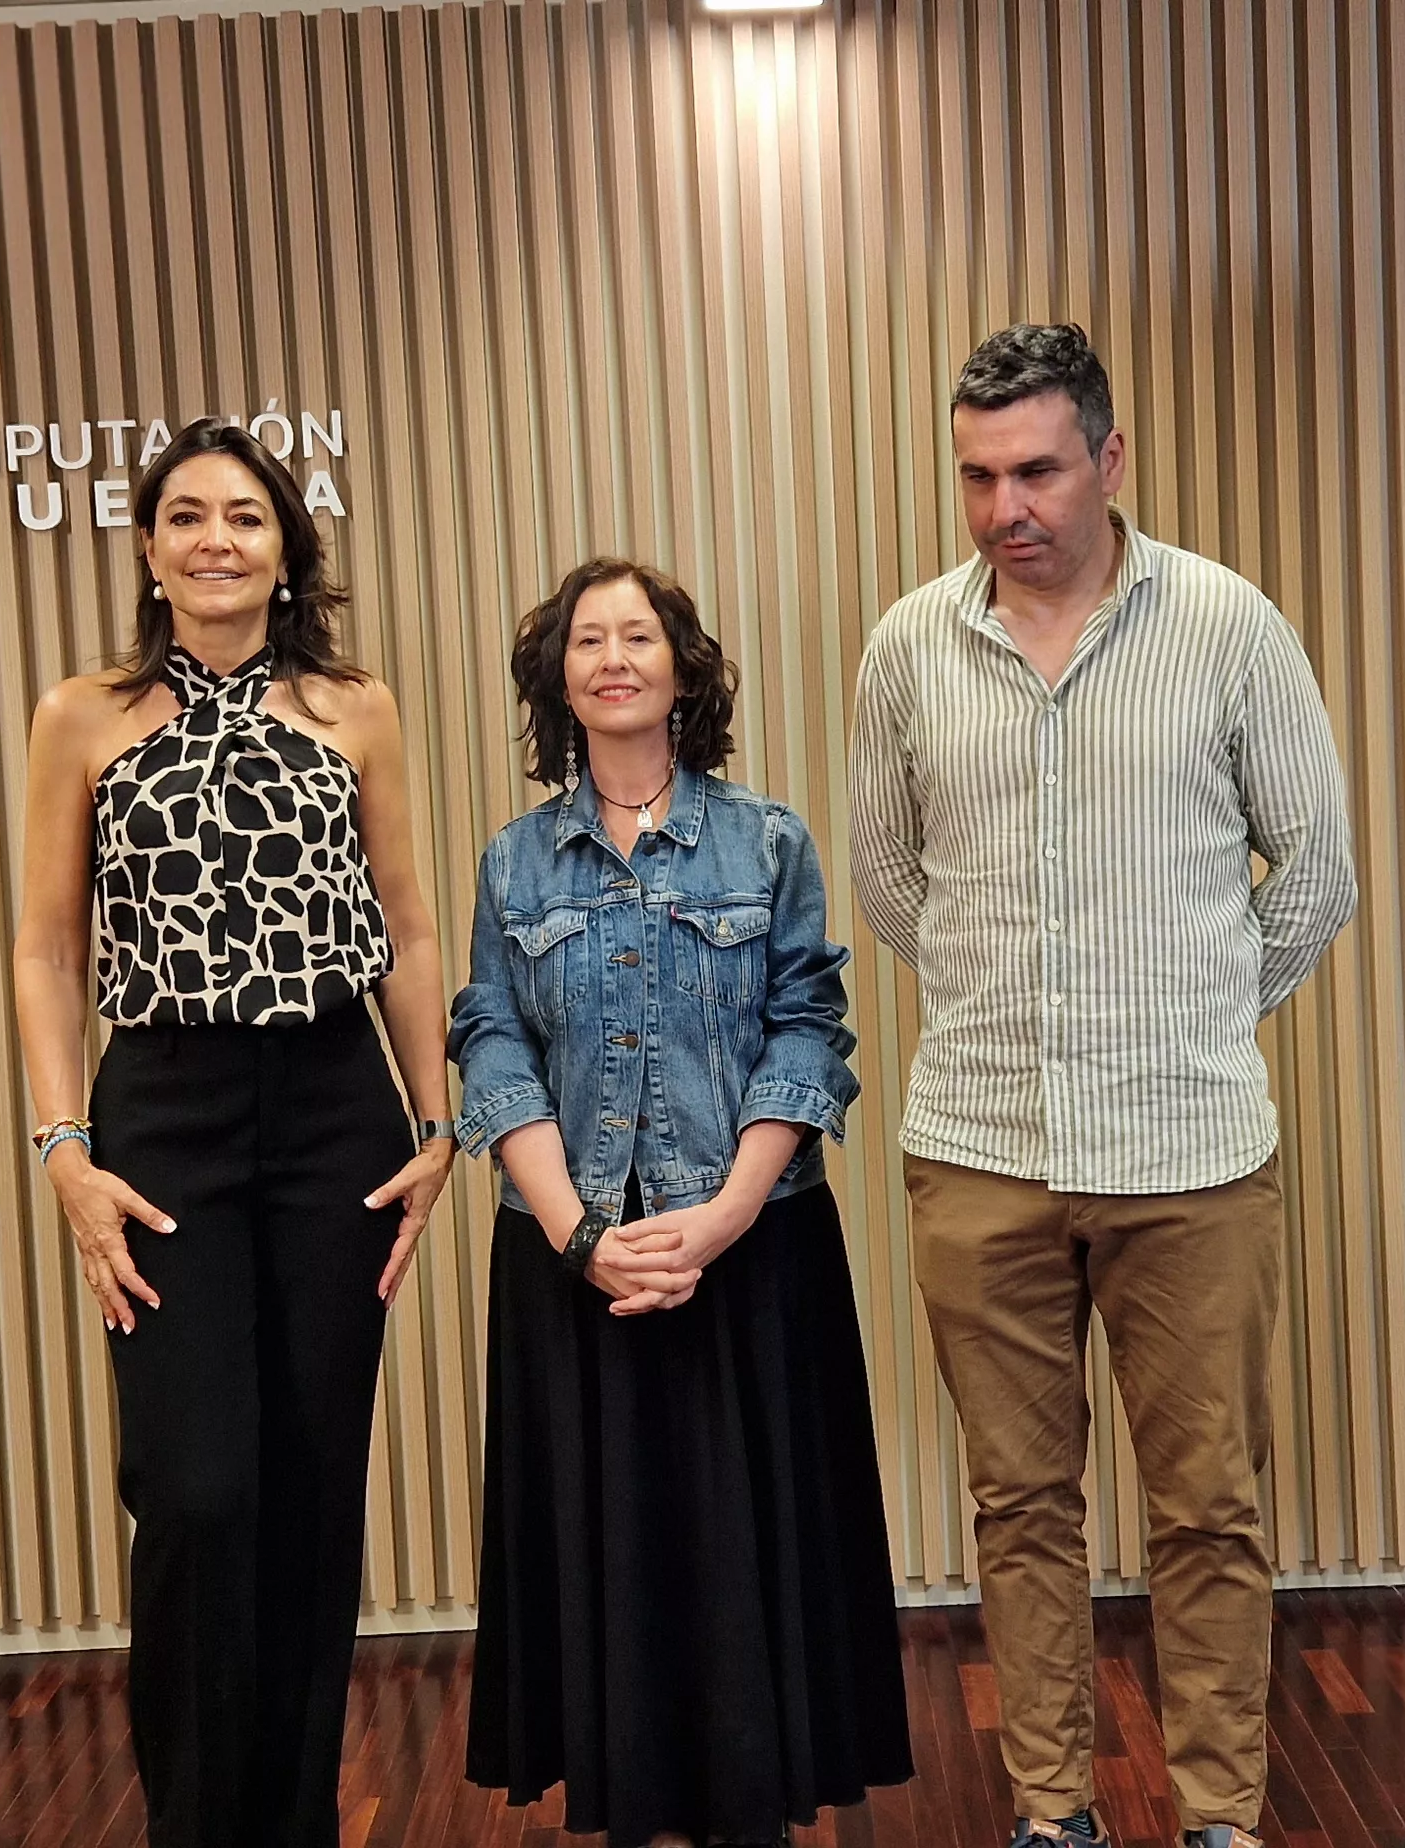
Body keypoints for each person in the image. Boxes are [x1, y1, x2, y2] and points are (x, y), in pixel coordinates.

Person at [849, 324, 1359, 1848]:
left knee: (1207, 1511)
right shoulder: (908, 648)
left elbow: (1317, 875)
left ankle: (1219, 1819)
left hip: (1190, 1152)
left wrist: (1196, 1009)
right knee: (1022, 1511)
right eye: (980, 475)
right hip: (981, 1149)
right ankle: (1052, 1815)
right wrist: (1010, 1005)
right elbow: (889, 879)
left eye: (1040, 469)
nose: (1010, 504)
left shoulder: (1227, 625)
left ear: (1110, 459)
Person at [8, 422, 460, 1848]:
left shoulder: (355, 708)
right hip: (165, 1119)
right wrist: (63, 1148)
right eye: (187, 517)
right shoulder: (81, 714)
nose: (217, 539)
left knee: (312, 1493)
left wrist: (440, 1119)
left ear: (286, 546)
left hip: (335, 1115)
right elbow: (42, 949)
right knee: (197, 1495)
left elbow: (407, 922)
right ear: (147, 548)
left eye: (245, 517)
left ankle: (298, 1822)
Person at [452, 559, 915, 1847]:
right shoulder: (515, 862)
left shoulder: (766, 839)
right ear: (559, 676)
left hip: (750, 1253)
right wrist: (579, 1236)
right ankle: (632, 1798)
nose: (613, 657)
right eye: (587, 640)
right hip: (575, 1259)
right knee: (614, 1554)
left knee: (739, 1547)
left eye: (638, 635)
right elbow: (489, 1045)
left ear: (681, 666)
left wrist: (717, 1222)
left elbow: (809, 1035)